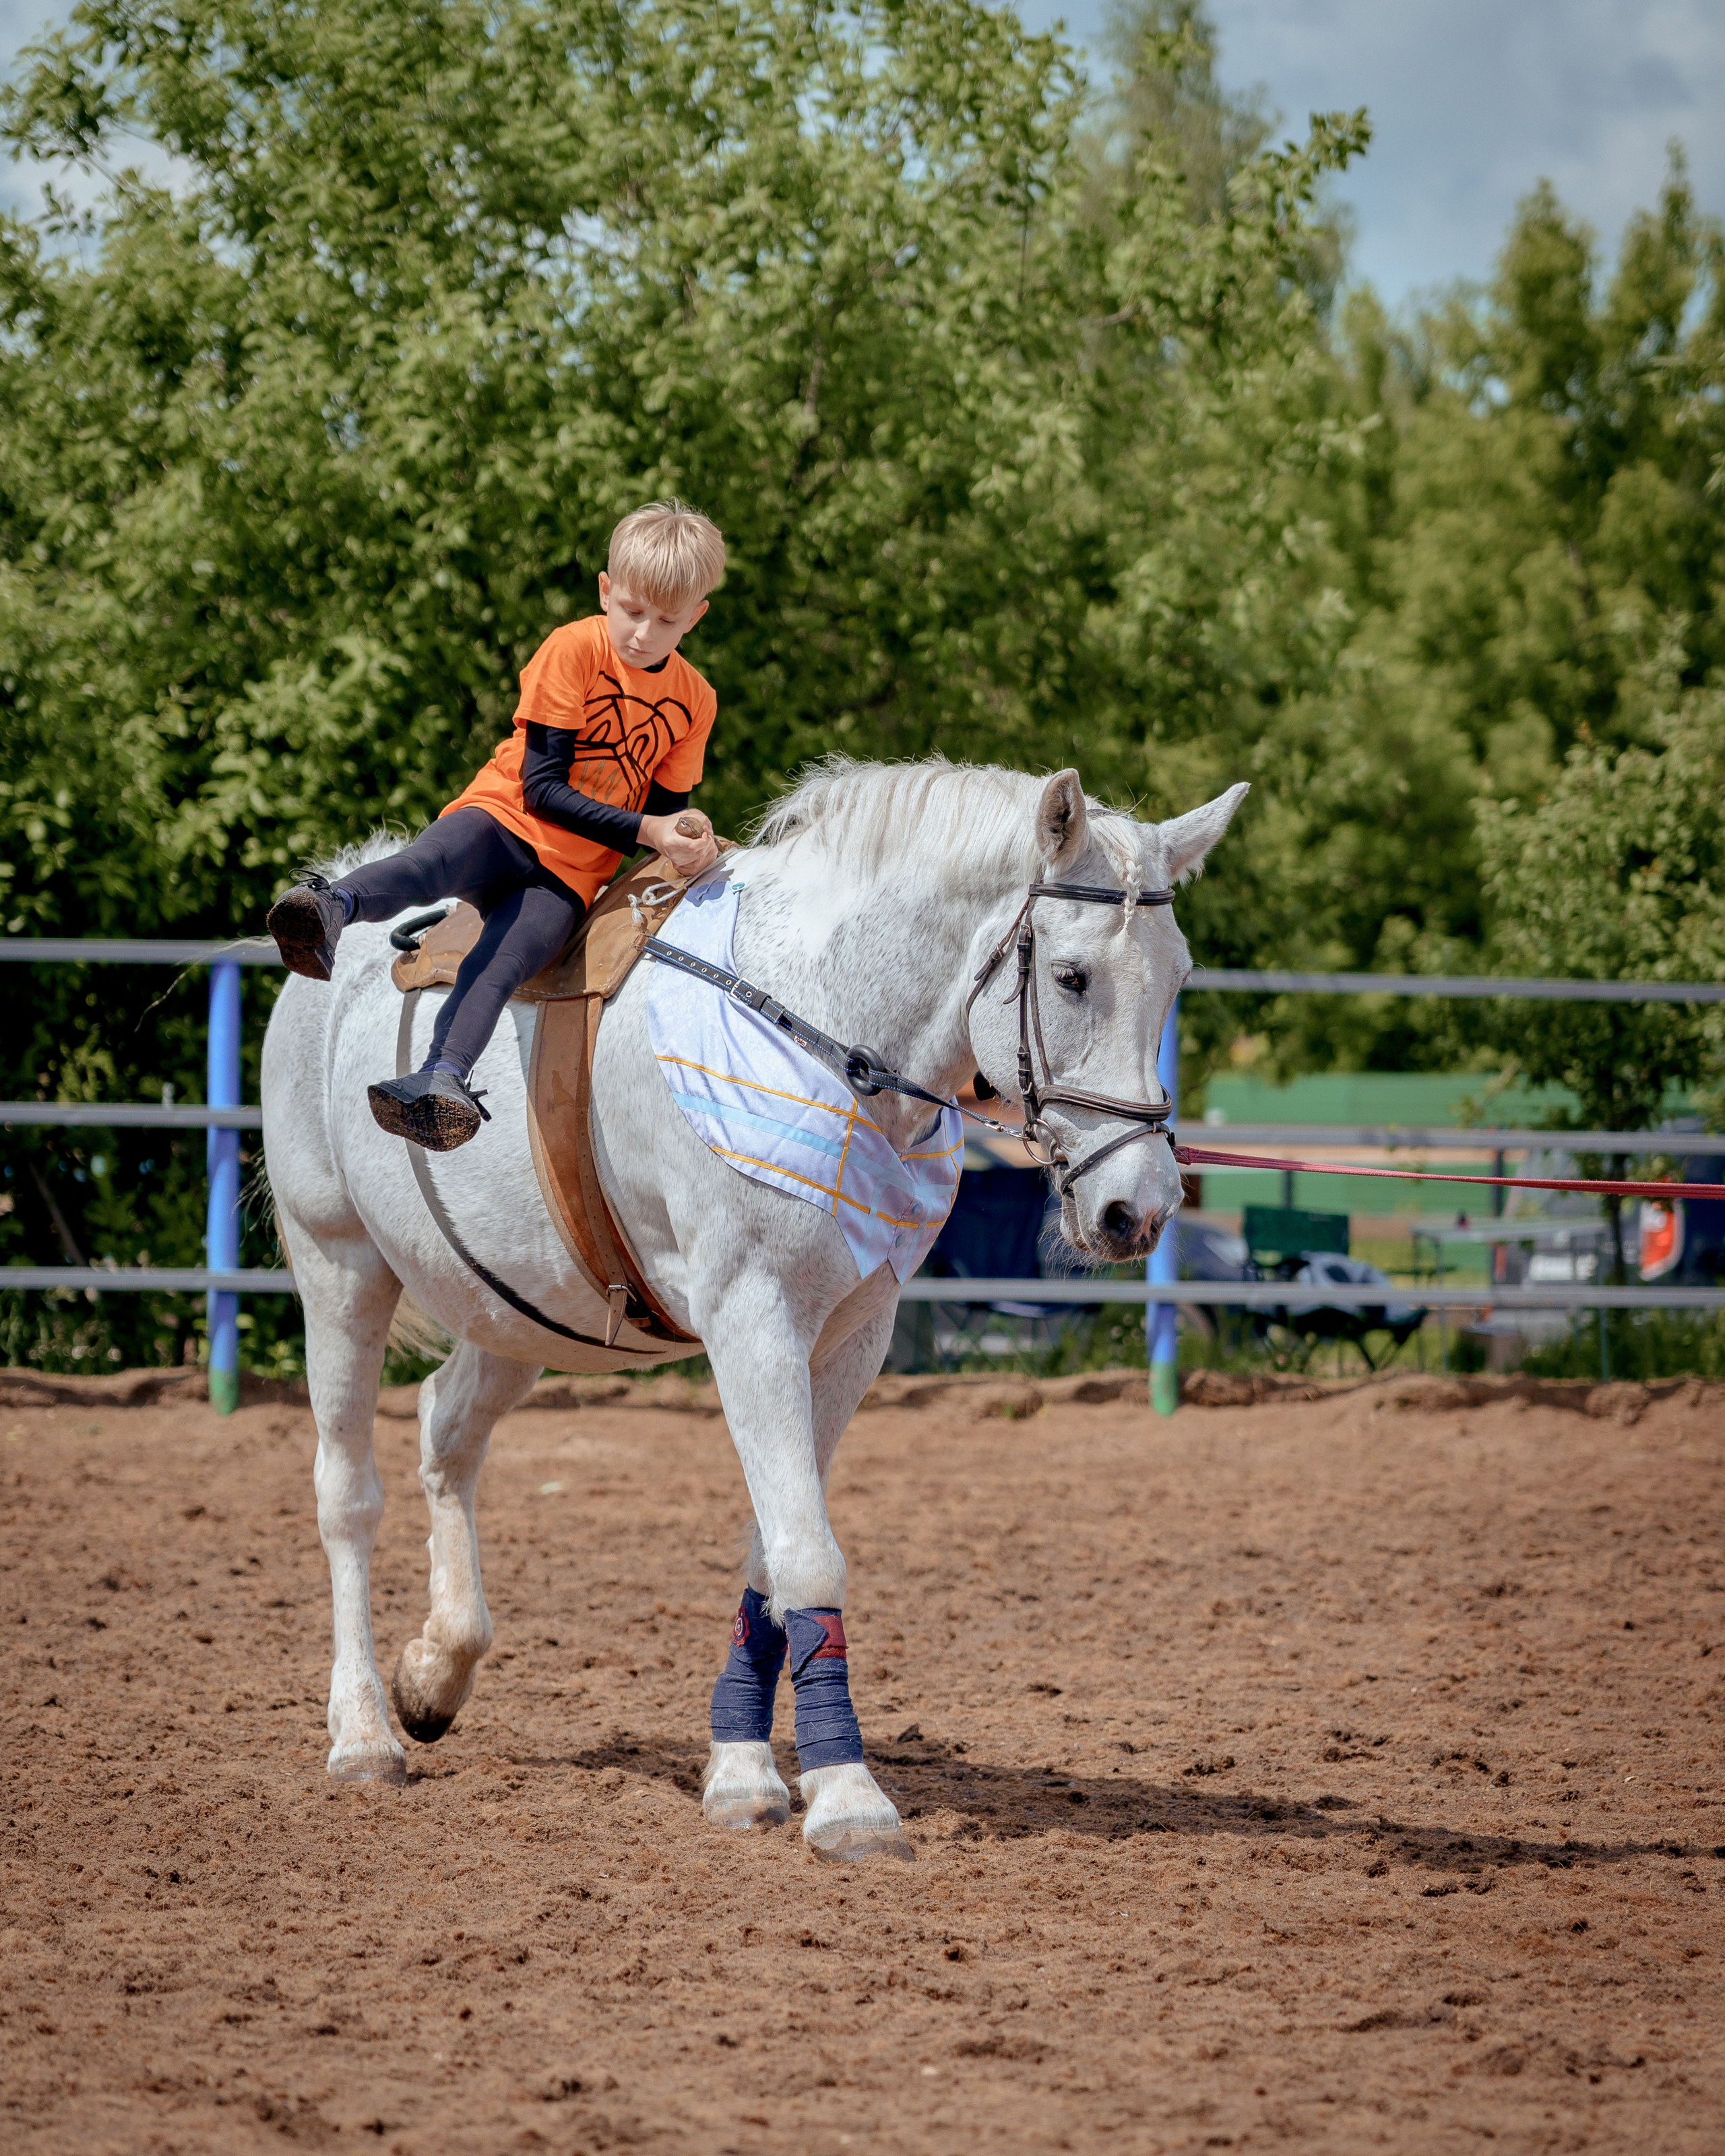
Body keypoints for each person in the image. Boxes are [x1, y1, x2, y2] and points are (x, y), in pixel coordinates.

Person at [266, 500, 724, 1150]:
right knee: (429, 866)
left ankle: (441, 1081)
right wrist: (651, 830)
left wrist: (686, 839)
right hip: (505, 817)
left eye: (667, 620)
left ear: (696, 618)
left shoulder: (696, 700)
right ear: (606, 591)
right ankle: (328, 908)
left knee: (501, 964)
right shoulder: (572, 648)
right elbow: (542, 789)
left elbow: (666, 813)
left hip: (567, 878)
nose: (643, 633)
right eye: (632, 610)